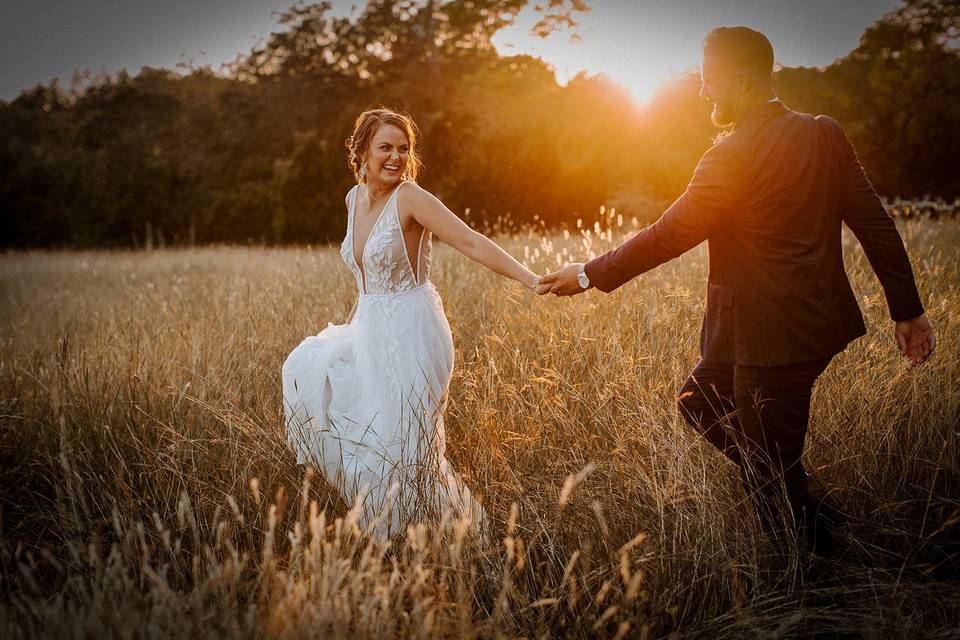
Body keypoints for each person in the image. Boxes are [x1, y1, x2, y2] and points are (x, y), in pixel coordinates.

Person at [537, 26, 936, 556]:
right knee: (697, 404)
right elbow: (877, 224)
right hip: (795, 327)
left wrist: (588, 273)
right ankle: (808, 501)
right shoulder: (824, 133)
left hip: (770, 342)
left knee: (770, 472)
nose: (705, 93)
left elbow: (671, 234)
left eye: (711, 81)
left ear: (742, 80)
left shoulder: (731, 155)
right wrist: (905, 310)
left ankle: (819, 573)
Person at [282, 107, 541, 540]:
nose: (396, 157)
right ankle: (400, 540)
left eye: (404, 149)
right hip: (368, 329)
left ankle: (451, 540)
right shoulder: (353, 199)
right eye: (385, 147)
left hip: (413, 332)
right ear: (362, 151)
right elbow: (366, 283)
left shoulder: (412, 198)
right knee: (331, 399)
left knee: (406, 444)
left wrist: (530, 279)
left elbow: (470, 241)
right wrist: (349, 331)